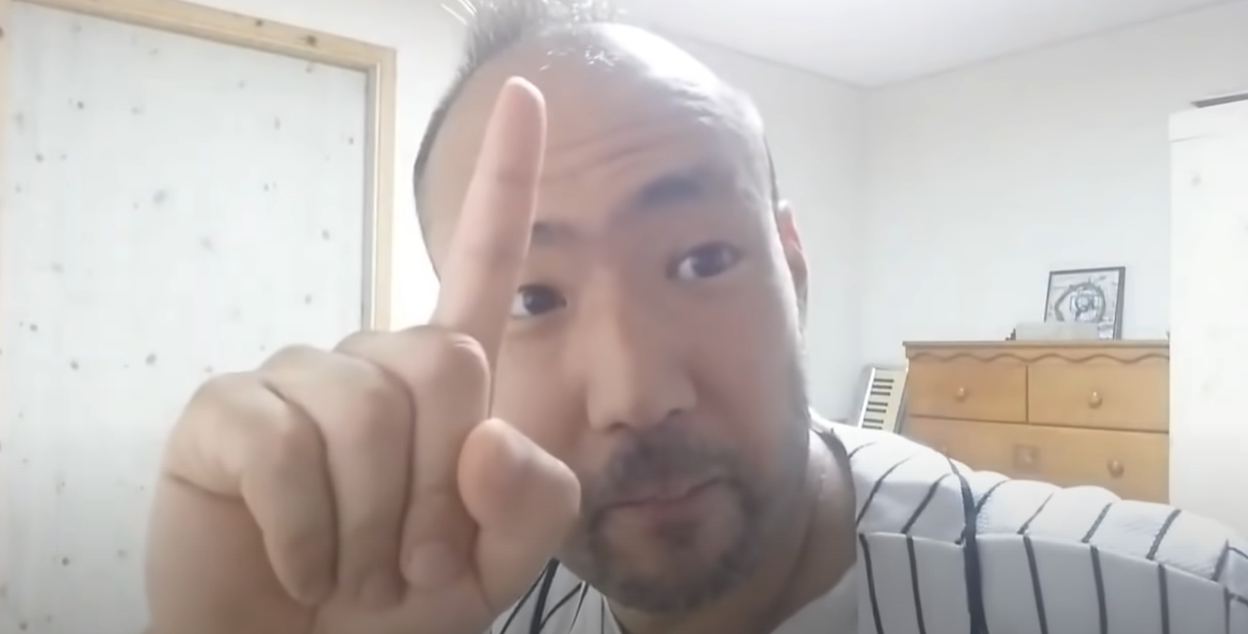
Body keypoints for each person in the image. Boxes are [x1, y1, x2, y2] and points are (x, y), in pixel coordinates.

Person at [143, 1, 1247, 633]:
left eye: (704, 258)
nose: (636, 392)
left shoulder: (1173, 602)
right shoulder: (444, 609)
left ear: (794, 272)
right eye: (533, 296)